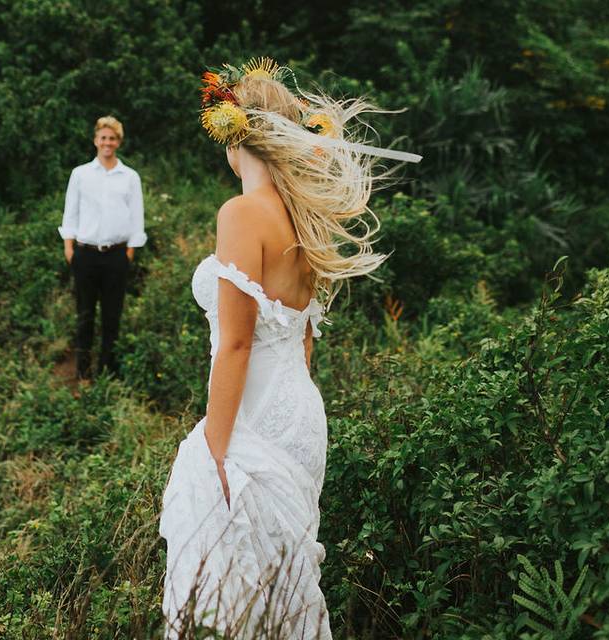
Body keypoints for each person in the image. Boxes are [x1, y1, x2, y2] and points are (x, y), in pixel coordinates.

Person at [158, 58, 421, 638]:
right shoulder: (307, 220)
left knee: (229, 590)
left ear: (234, 140)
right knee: (286, 575)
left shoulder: (240, 213)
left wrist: (216, 451)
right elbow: (303, 343)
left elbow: (235, 343)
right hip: (300, 413)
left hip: (250, 417)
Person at [58, 116, 146, 379]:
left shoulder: (129, 177)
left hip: (117, 255)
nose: (107, 142)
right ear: (96, 140)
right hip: (85, 254)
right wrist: (69, 247)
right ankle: (83, 373)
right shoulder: (81, 174)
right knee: (85, 314)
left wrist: (130, 251)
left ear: (118, 142)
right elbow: (70, 212)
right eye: (103, 137)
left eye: (112, 138)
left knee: (112, 316)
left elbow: (136, 216)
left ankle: (108, 370)